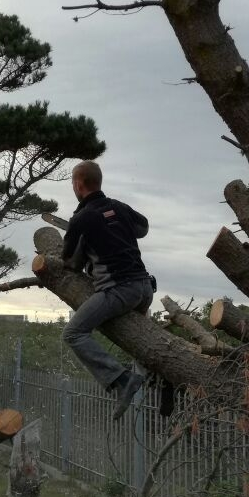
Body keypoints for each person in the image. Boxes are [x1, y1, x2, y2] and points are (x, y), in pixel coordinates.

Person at [61, 161, 153, 420]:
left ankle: (122, 380)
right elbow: (142, 228)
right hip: (145, 287)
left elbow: (69, 263)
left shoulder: (80, 219)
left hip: (119, 290)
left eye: (72, 183)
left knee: (73, 333)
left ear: (78, 184)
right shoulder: (120, 208)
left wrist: (82, 243)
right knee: (142, 340)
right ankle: (155, 377)